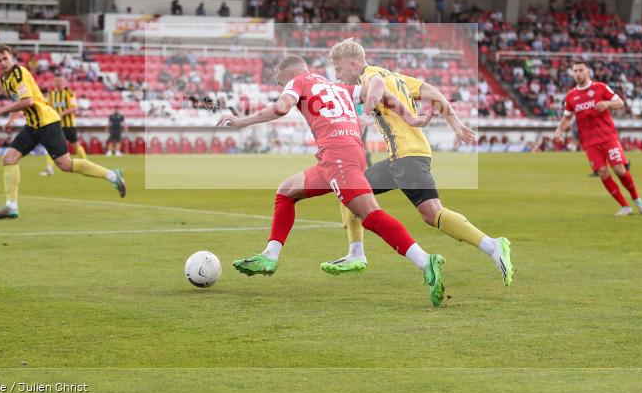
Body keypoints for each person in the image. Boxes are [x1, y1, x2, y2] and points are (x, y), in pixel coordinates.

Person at [216, 55, 448, 307]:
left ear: (289, 74)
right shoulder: (336, 86)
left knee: (370, 215)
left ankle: (425, 261)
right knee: (286, 191)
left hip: (338, 158)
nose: (279, 84)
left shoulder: (298, 81)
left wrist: (242, 121)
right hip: (342, 155)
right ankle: (270, 255)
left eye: (279, 80)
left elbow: (282, 107)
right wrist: (410, 117)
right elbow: (381, 94)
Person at [324, 38, 514, 286]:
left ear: (355, 63)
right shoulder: (398, 77)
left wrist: (365, 113)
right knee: (350, 191)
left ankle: (492, 246)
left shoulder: (369, 76)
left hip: (406, 157)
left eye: (339, 69)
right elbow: (433, 92)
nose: (337, 75)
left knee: (432, 213)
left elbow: (377, 85)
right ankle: (356, 253)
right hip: (406, 156)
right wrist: (455, 124)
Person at [0, 44, 126, 219]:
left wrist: (2, 109)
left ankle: (113, 175)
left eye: (5, 58)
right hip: (32, 125)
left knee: (65, 165)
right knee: (9, 158)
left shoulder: (18, 73)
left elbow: (28, 101)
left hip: (47, 122)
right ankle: (11, 206)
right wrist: (11, 120)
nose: (2, 62)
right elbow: (18, 100)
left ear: (12, 57)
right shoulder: (4, 80)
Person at [554, 60, 642, 217]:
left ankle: (637, 199)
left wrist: (607, 103)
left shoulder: (600, 87)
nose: (577, 74)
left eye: (580, 70)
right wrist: (559, 131)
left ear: (587, 71)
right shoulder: (571, 97)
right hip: (589, 142)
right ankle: (625, 206)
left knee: (619, 170)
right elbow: (567, 118)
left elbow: (620, 103)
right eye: (575, 71)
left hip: (608, 137)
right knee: (603, 173)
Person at [41, 76, 89, 176]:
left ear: (64, 82)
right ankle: (49, 168)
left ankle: (87, 164)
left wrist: (63, 113)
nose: (58, 83)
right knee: (51, 145)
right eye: (56, 81)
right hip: (55, 124)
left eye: (60, 81)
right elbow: (48, 107)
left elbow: (74, 107)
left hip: (69, 124)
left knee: (75, 144)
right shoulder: (51, 94)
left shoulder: (69, 93)